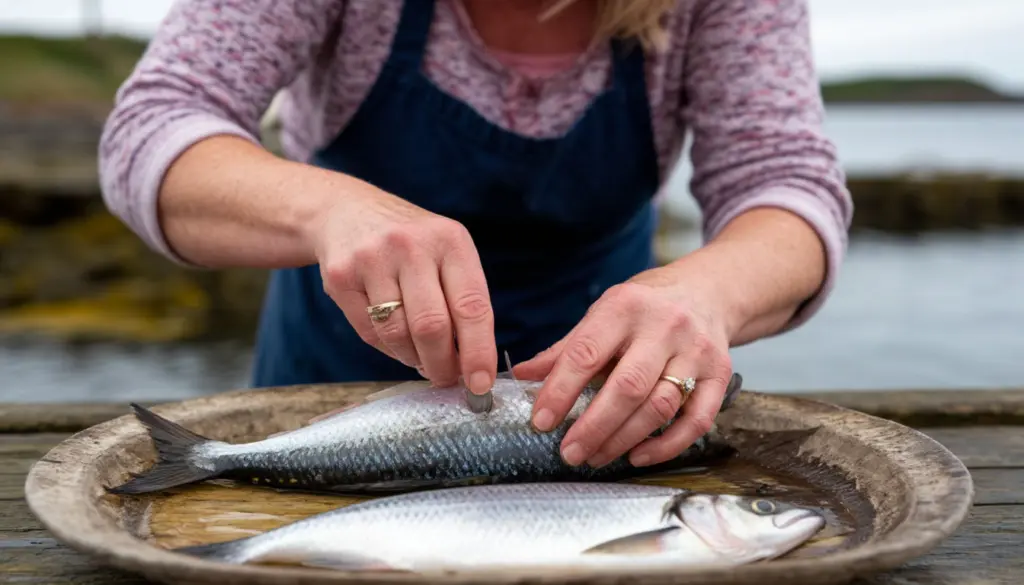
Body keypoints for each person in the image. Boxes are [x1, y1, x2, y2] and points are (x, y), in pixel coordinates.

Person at [99, 0, 852, 472]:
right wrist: (329, 210)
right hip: (326, 378)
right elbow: (155, 125)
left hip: (610, 433)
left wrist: (709, 292)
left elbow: (786, 183)